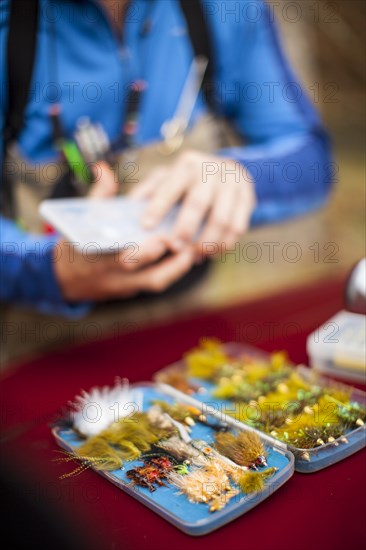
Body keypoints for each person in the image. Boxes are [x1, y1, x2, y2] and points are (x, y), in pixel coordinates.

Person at [0, 0, 333, 317]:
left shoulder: (224, 10)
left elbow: (311, 159)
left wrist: (240, 176)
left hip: (180, 324)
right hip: (36, 342)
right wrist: (44, 270)